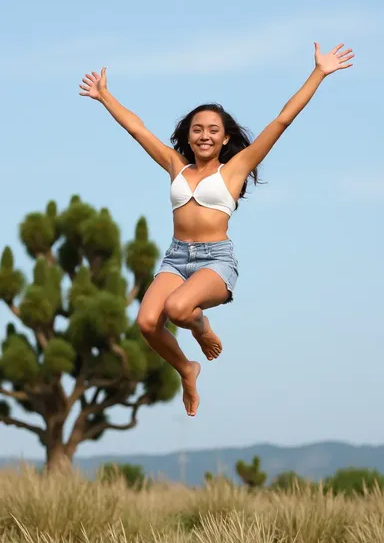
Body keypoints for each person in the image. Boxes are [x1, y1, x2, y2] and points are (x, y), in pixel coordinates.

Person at [79, 42, 354, 416]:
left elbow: (282, 120)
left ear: (225, 138)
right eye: (197, 129)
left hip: (215, 260)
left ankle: (201, 326)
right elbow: (137, 130)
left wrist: (319, 73)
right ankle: (187, 369)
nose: (204, 135)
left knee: (178, 310)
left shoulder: (235, 169)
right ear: (188, 135)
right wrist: (105, 96)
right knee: (146, 323)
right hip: (176, 258)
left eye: (212, 130)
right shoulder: (176, 166)